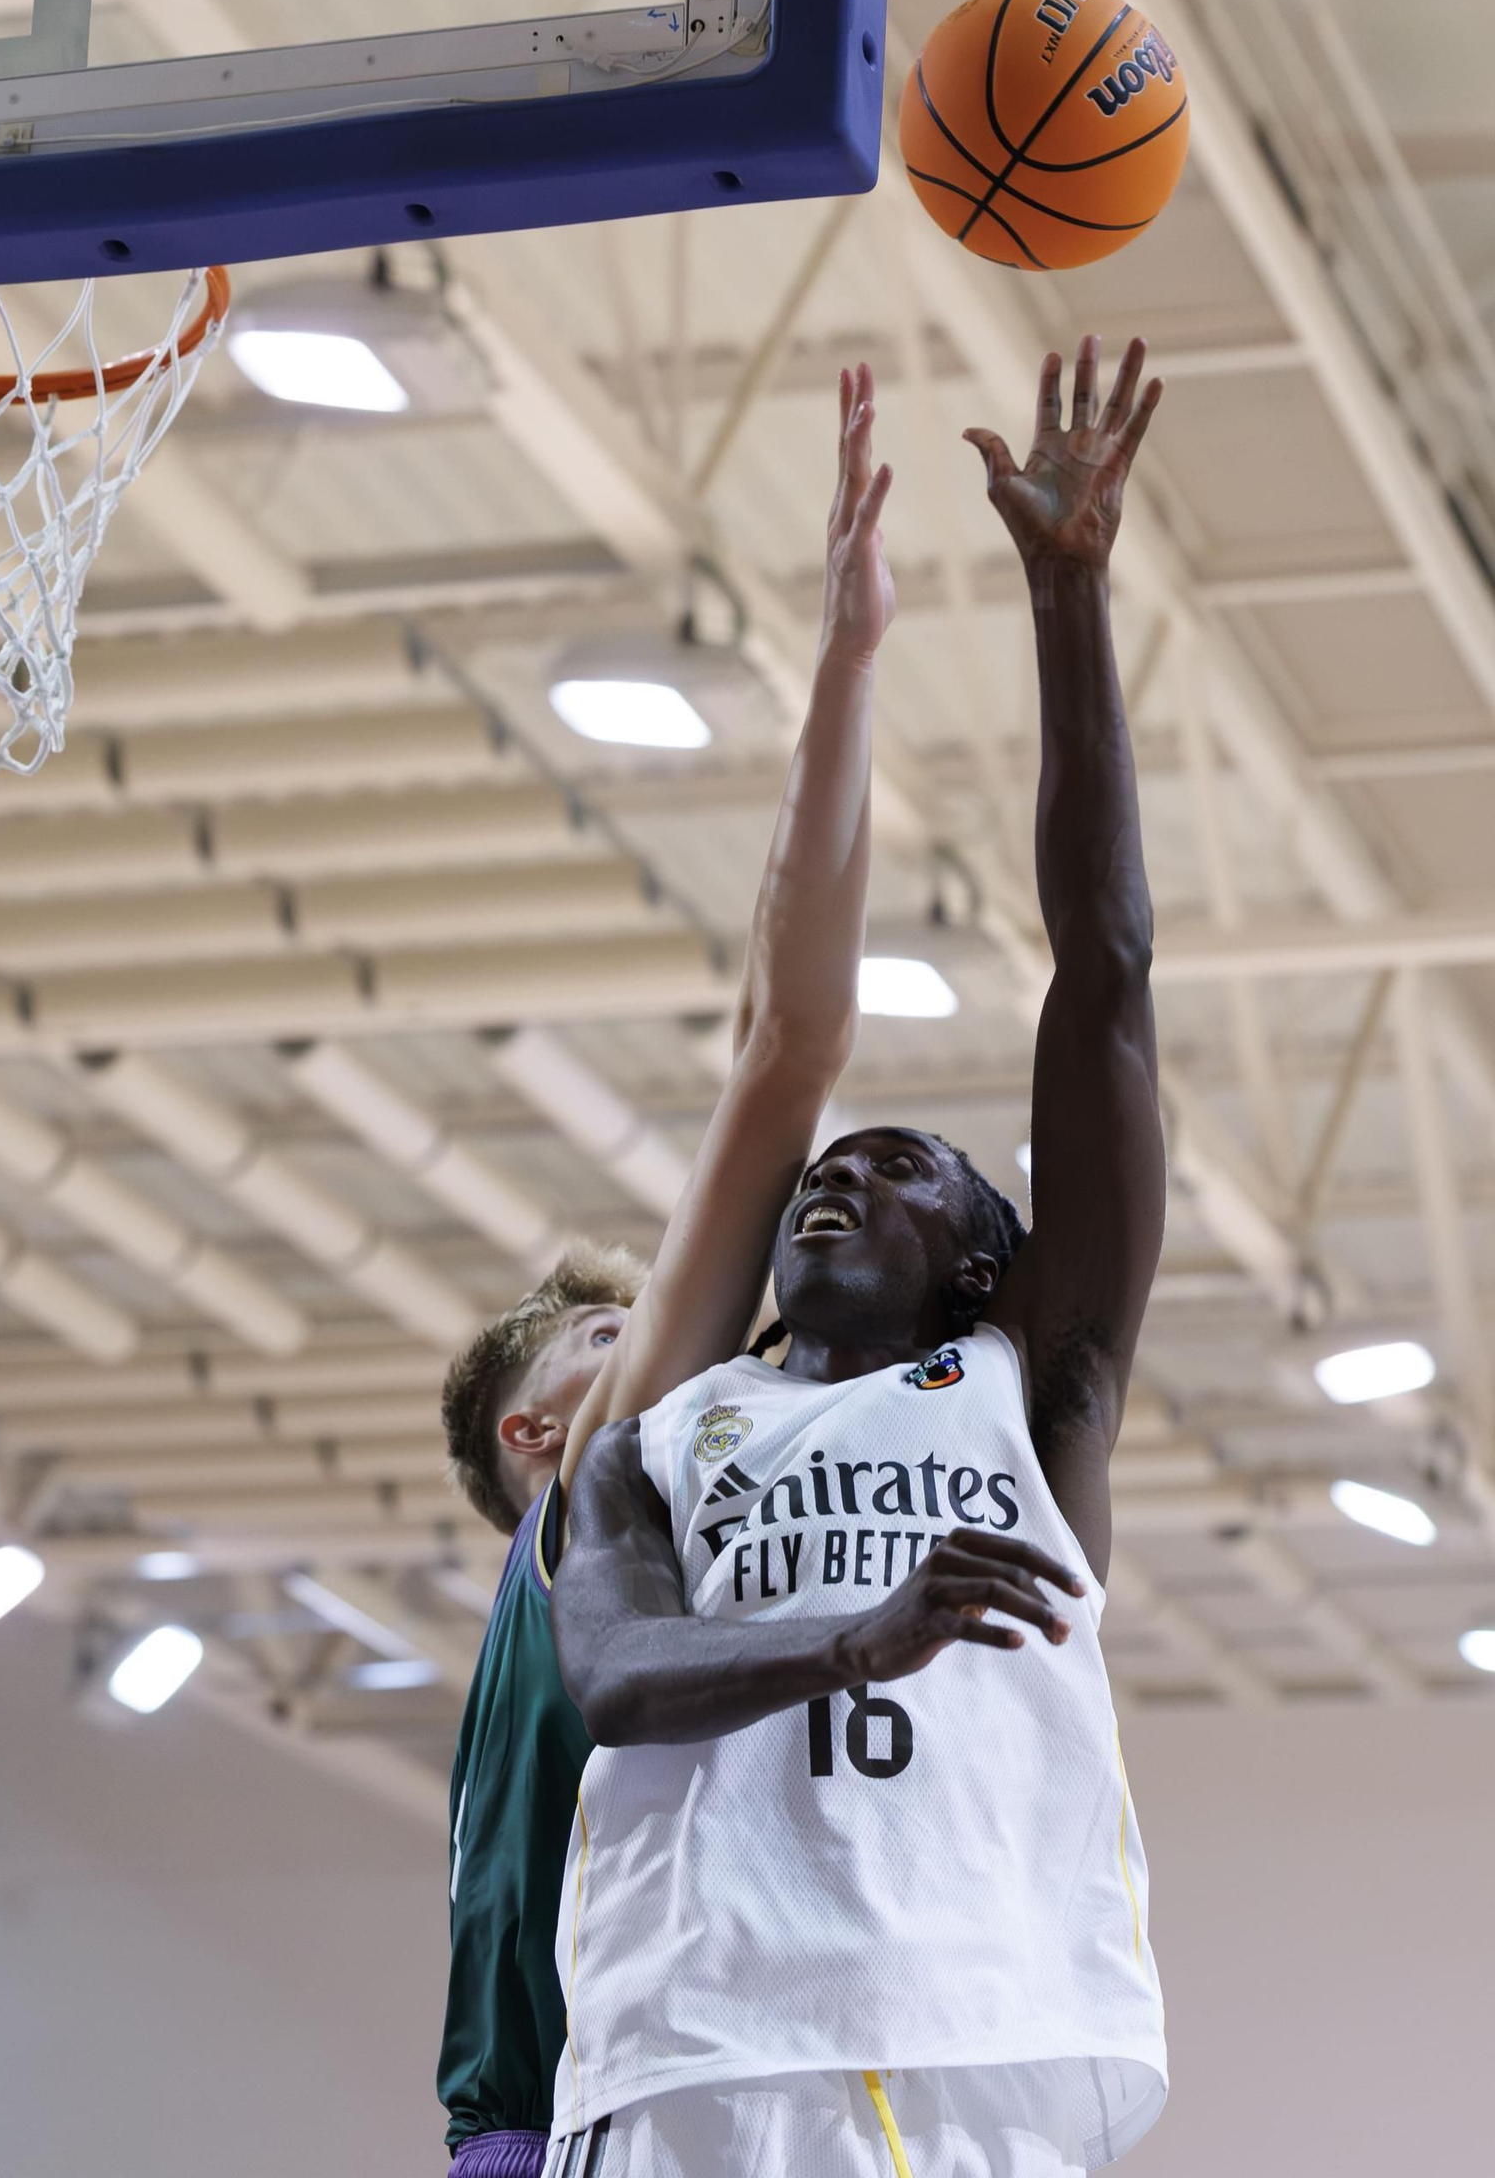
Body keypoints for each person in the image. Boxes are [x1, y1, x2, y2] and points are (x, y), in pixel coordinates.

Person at [547, 336, 1169, 2178]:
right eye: (827, 1171)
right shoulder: (655, 1437)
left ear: (987, 1262)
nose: (838, 1182)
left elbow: (1110, 976)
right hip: (683, 2034)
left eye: (902, 1175)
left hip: (958, 2014)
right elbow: (614, 1678)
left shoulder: (1028, 1384)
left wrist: (1069, 601)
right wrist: (864, 1636)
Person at [436, 367, 897, 2175]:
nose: (659, 1352)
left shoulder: (596, 1574)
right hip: (559, 2134)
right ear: (542, 1446)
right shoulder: (587, 1508)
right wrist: (848, 667)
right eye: (608, 1347)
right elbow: (782, 1047)